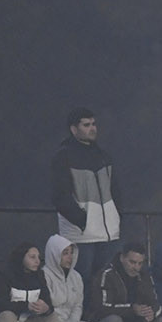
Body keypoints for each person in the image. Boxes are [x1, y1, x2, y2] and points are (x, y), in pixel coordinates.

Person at [51, 107, 123, 285]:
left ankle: (96, 314)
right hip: (81, 235)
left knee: (104, 284)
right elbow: (60, 196)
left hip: (108, 234)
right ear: (73, 129)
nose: (93, 128)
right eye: (86, 125)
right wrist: (83, 220)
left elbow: (116, 190)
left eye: (93, 123)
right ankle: (81, 314)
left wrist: (118, 215)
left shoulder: (103, 156)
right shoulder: (64, 156)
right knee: (80, 283)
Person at [41, 234, 98, 322]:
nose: (70, 257)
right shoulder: (44, 275)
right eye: (65, 253)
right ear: (54, 253)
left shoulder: (76, 277)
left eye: (71, 253)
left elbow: (78, 305)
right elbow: (48, 304)